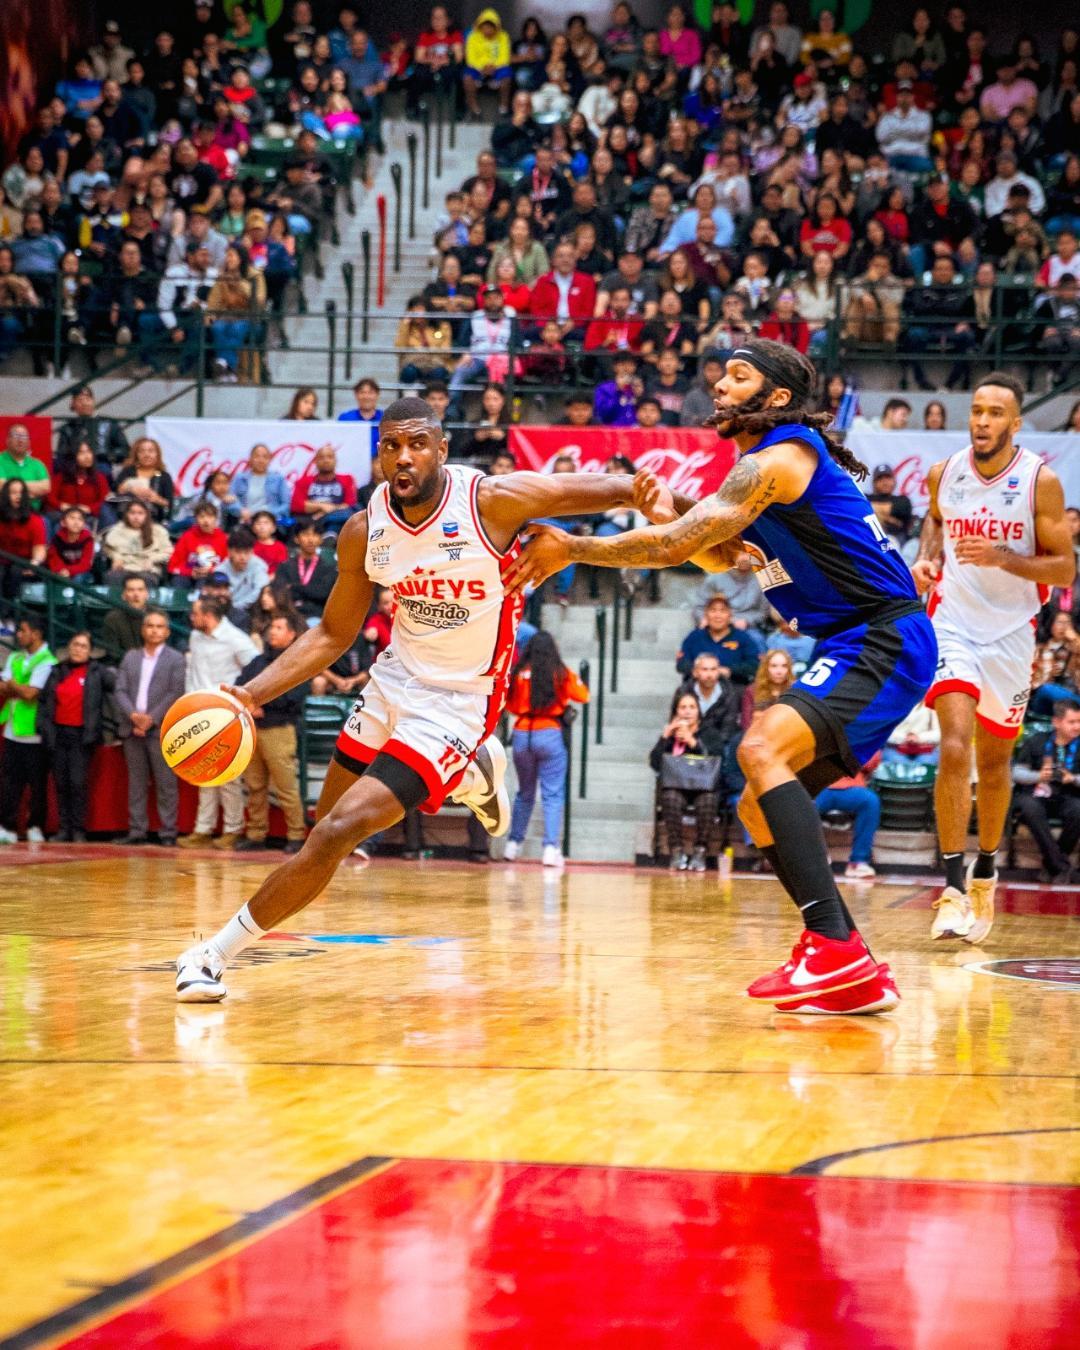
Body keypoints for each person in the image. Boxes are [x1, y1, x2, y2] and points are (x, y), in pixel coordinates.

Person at [174, 395, 658, 1000]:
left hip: (457, 702)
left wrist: (666, 506)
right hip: (392, 681)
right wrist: (247, 693)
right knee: (325, 826)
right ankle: (473, 773)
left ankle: (211, 955)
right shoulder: (364, 530)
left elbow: (600, 489)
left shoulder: (490, 502)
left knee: (334, 834)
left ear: (442, 448)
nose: (404, 458)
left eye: (417, 444)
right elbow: (331, 633)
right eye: (391, 446)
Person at [509, 338, 939, 1015]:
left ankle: (833, 947)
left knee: (760, 748)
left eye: (739, 377)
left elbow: (683, 546)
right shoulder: (759, 474)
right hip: (859, 637)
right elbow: (721, 558)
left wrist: (575, 546)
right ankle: (852, 963)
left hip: (882, 634)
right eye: (721, 374)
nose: (720, 385)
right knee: (752, 802)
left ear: (774, 398)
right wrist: (668, 510)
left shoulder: (778, 461)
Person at [913, 373, 1075, 944]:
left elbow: (1064, 569)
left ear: (1016, 422)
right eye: (976, 410)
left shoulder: (1040, 482)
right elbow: (935, 520)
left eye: (995, 412)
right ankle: (953, 885)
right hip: (952, 621)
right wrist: (928, 559)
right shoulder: (946, 472)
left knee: (995, 760)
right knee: (953, 744)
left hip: (1011, 633)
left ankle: (986, 867)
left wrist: (1006, 557)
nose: (982, 421)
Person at [179, 594, 259, 850]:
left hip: (225, 713)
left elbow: (257, 667)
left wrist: (242, 697)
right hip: (197, 712)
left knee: (228, 774)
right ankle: (203, 829)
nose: (192, 618)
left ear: (208, 616)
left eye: (195, 613)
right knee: (203, 771)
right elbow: (193, 673)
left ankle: (233, 828)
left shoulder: (236, 638)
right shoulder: (196, 636)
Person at [502, 631, 589, 867]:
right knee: (552, 794)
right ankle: (550, 848)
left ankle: (513, 845)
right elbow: (583, 695)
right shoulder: (561, 672)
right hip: (550, 733)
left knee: (524, 793)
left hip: (522, 734)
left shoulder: (519, 672)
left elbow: (508, 703)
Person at [235, 613, 308, 854]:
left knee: (286, 787)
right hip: (253, 731)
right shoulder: (257, 661)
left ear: (291, 634)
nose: (273, 631)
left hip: (280, 730)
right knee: (254, 786)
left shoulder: (299, 663)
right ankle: (256, 834)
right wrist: (250, 705)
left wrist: (259, 705)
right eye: (271, 627)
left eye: (279, 627)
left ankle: (296, 835)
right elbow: (239, 684)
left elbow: (293, 698)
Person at [113, 610, 186, 846]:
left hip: (160, 729)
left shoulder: (176, 659)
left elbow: (175, 692)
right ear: (143, 629)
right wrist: (134, 716)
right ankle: (137, 831)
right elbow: (120, 690)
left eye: (159, 626)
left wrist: (150, 719)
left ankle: (168, 832)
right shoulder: (130, 657)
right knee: (136, 782)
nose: (154, 630)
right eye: (150, 625)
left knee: (166, 782)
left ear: (167, 631)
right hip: (132, 727)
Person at [40, 631, 108, 842]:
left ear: (90, 651)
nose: (78, 649)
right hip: (58, 734)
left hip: (81, 735)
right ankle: (64, 828)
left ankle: (78, 829)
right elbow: (45, 703)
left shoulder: (97, 672)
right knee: (61, 783)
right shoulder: (56, 671)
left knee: (77, 783)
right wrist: (44, 729)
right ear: (68, 647)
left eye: (83, 646)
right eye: (75, 645)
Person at [649, 690, 727, 872]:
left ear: (698, 711)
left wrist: (693, 742)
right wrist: (664, 738)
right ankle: (676, 851)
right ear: (676, 711)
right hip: (677, 787)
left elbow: (717, 759)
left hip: (703, 787)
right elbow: (654, 763)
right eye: (683, 707)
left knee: (708, 800)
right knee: (670, 797)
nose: (687, 711)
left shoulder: (709, 733)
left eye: (692, 707)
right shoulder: (669, 736)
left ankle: (700, 851)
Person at [0, 616, 56, 844]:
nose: (18, 635)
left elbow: (31, 694)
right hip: (13, 730)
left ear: (36, 634)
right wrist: (16, 688)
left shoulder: (48, 660)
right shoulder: (15, 656)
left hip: (35, 732)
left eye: (23, 631)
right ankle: (8, 826)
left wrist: (14, 685)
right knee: (10, 783)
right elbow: (2, 688)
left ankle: (35, 825)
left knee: (37, 784)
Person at [1011, 698, 1080, 881]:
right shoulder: (1037, 741)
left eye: (1079, 722)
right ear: (1056, 722)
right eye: (1072, 722)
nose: (1077, 726)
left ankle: (1053, 866)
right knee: (1028, 807)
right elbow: (1016, 772)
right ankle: (1061, 867)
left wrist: (1072, 778)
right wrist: (1038, 776)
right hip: (1037, 794)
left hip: (1068, 795)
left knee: (1078, 810)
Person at [816, 755, 882, 881]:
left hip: (852, 786)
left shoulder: (861, 735)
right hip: (819, 785)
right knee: (800, 804)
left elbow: (873, 759)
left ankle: (858, 862)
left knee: (871, 801)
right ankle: (812, 859)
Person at [675, 595, 759, 687]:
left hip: (733, 689)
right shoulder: (694, 637)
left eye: (723, 611)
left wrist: (729, 671)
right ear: (706, 615)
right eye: (713, 610)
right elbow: (681, 663)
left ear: (730, 615)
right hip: (697, 688)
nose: (717, 615)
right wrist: (700, 671)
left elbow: (754, 665)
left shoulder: (743, 638)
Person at [274, 516, 336, 619]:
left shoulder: (328, 568)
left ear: (321, 539)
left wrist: (295, 587)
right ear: (296, 539)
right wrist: (311, 591)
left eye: (315, 535)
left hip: (317, 617)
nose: (310, 539)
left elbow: (323, 593)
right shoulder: (285, 566)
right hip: (288, 615)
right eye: (306, 534)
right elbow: (281, 592)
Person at [289, 445, 358, 532]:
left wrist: (324, 513)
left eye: (330, 457)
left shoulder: (347, 479)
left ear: (335, 460)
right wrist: (322, 506)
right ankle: (329, 535)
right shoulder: (303, 481)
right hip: (310, 521)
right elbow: (296, 505)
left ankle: (329, 533)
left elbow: (350, 504)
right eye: (321, 457)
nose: (326, 460)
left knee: (350, 513)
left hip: (334, 518)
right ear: (315, 461)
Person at [102, 500, 172, 585]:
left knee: (145, 581)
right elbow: (108, 548)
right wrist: (116, 557)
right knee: (111, 578)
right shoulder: (117, 529)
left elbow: (167, 551)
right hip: (123, 567)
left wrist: (153, 559)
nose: (136, 517)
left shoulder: (158, 531)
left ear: (146, 515)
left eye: (140, 513)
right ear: (127, 514)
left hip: (147, 569)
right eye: (132, 513)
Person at [232, 443, 291, 524]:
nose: (261, 460)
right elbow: (229, 500)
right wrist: (240, 510)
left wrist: (269, 514)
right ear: (250, 459)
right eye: (257, 456)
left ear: (270, 460)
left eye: (265, 457)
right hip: (246, 521)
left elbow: (286, 505)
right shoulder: (240, 478)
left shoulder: (278, 479)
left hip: (271, 522)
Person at [221, 526, 270, 612]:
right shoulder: (220, 570)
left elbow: (260, 591)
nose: (243, 557)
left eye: (247, 553)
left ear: (252, 551)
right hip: (226, 611)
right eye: (238, 552)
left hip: (253, 610)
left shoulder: (258, 565)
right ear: (229, 551)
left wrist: (236, 607)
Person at [103, 574, 152, 657]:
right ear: (124, 595)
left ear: (147, 594)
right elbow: (113, 653)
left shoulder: (158, 616)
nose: (136, 594)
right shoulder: (112, 618)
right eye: (131, 590)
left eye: (140, 590)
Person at [0, 423, 50, 502]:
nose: (20, 440)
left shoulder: (37, 464)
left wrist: (12, 488)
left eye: (24, 437)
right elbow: (1, 485)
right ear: (8, 440)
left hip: (33, 511)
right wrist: (31, 491)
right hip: (4, 510)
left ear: (29, 442)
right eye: (16, 435)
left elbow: (45, 487)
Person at [866, 465, 913, 543]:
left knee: (891, 540)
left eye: (888, 477)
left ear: (894, 480)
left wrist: (874, 510)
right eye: (880, 478)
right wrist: (891, 519)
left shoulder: (903, 500)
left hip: (897, 541)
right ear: (874, 483)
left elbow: (903, 509)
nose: (884, 482)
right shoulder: (865, 497)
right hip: (870, 538)